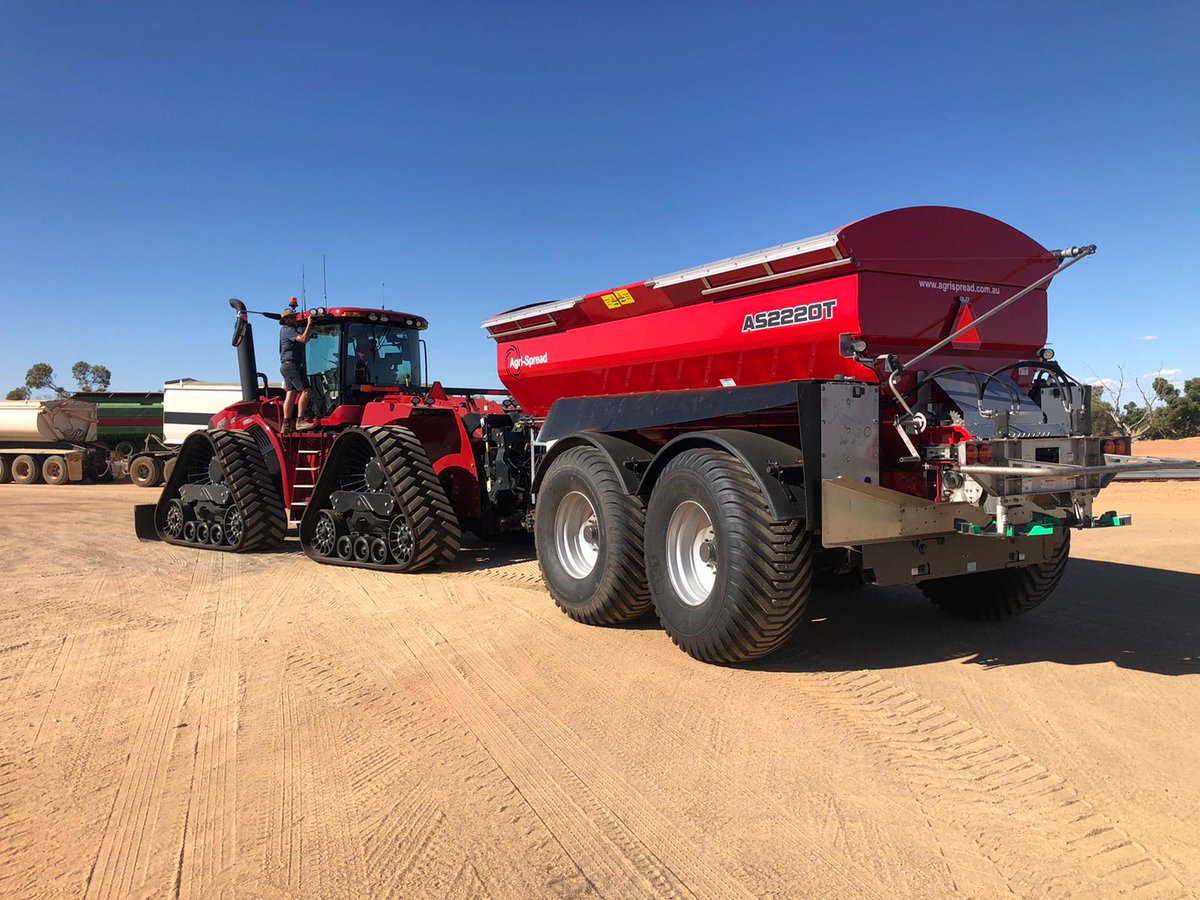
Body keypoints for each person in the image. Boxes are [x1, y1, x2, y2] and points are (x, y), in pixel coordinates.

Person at [279, 307, 315, 432]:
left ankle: (286, 424)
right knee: (306, 391)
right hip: (292, 365)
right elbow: (303, 339)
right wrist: (309, 323)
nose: (295, 319)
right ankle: (300, 421)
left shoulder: (285, 330)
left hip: (285, 366)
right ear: (285, 320)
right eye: (292, 317)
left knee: (291, 393)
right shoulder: (289, 330)